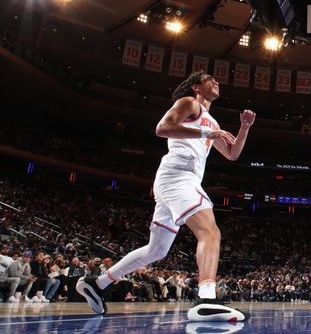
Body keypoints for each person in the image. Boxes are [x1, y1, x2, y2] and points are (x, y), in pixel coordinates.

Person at [76, 71, 255, 322]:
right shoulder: (188, 103)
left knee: (156, 250)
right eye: (209, 79)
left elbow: (232, 154)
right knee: (210, 232)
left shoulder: (212, 123)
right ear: (196, 86)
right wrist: (205, 134)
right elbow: (162, 128)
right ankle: (206, 298)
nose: (216, 82)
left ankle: (98, 284)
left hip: (176, 181)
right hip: (178, 175)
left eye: (217, 81)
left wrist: (244, 128)